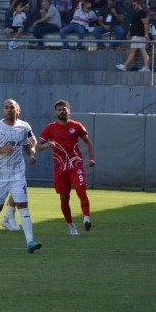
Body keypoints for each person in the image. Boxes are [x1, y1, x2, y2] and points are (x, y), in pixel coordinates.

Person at [0, 99, 42, 253]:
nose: (9, 110)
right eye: (6, 107)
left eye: (12, 107)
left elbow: (27, 144)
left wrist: (31, 155)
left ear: (18, 110)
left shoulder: (24, 126)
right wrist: (1, 150)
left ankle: (30, 242)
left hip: (17, 173)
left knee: (23, 205)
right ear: (3, 110)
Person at [35, 99, 95, 236]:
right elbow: (37, 147)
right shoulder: (50, 128)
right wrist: (46, 144)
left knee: (81, 189)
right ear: (56, 112)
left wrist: (91, 158)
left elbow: (88, 143)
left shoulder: (77, 126)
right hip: (60, 169)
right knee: (64, 198)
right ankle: (71, 225)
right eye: (59, 109)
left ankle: (86, 219)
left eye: (64, 109)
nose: (62, 111)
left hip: (75, 165)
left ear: (69, 110)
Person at [116, 0, 150, 72]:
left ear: (138, 4)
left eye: (134, 5)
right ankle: (146, 67)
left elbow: (145, 23)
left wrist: (146, 33)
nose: (133, 6)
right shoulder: (137, 13)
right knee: (142, 50)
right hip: (137, 34)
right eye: (132, 5)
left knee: (132, 50)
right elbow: (134, 25)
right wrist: (129, 33)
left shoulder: (142, 13)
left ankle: (125, 65)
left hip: (138, 35)